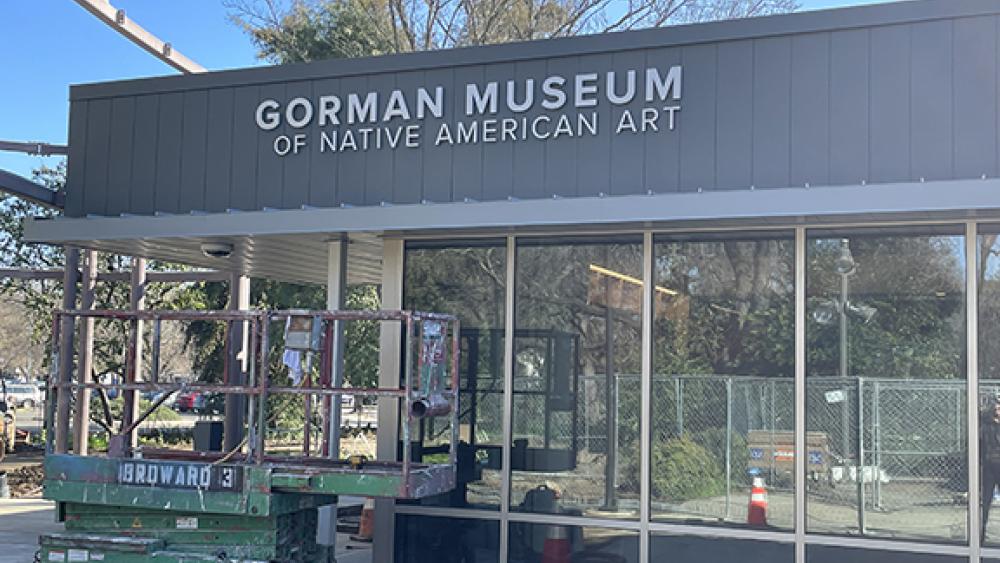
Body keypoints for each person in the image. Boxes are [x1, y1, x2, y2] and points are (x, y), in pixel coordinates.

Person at [981, 396, 1000, 543]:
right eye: (997, 408)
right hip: (989, 465)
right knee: (986, 499)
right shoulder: (986, 426)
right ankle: (981, 530)